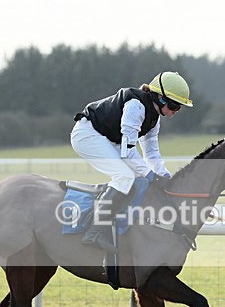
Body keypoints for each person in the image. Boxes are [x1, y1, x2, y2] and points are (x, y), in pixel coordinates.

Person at [71, 71, 193, 251]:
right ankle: (94, 231)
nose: (175, 111)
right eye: (174, 105)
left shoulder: (154, 118)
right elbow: (128, 152)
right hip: (87, 135)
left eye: (179, 107)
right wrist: (151, 175)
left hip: (106, 138)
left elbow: (151, 153)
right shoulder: (136, 106)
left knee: (136, 176)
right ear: (159, 98)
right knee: (125, 175)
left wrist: (164, 176)